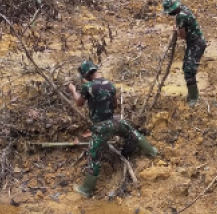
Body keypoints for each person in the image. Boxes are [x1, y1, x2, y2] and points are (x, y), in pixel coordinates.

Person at [67, 60, 158, 198]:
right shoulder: (110, 84)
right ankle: (152, 152)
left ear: (86, 75)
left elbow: (79, 103)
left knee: (93, 156)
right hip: (114, 121)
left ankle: (86, 189)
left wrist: (73, 90)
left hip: (100, 127)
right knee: (133, 132)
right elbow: (115, 105)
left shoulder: (88, 86)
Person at [161, 0, 206, 107]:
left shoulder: (181, 16)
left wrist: (177, 30)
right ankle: (192, 94)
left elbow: (183, 35)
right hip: (194, 43)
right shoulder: (183, 10)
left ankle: (194, 98)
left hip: (196, 44)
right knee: (186, 68)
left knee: (189, 70)